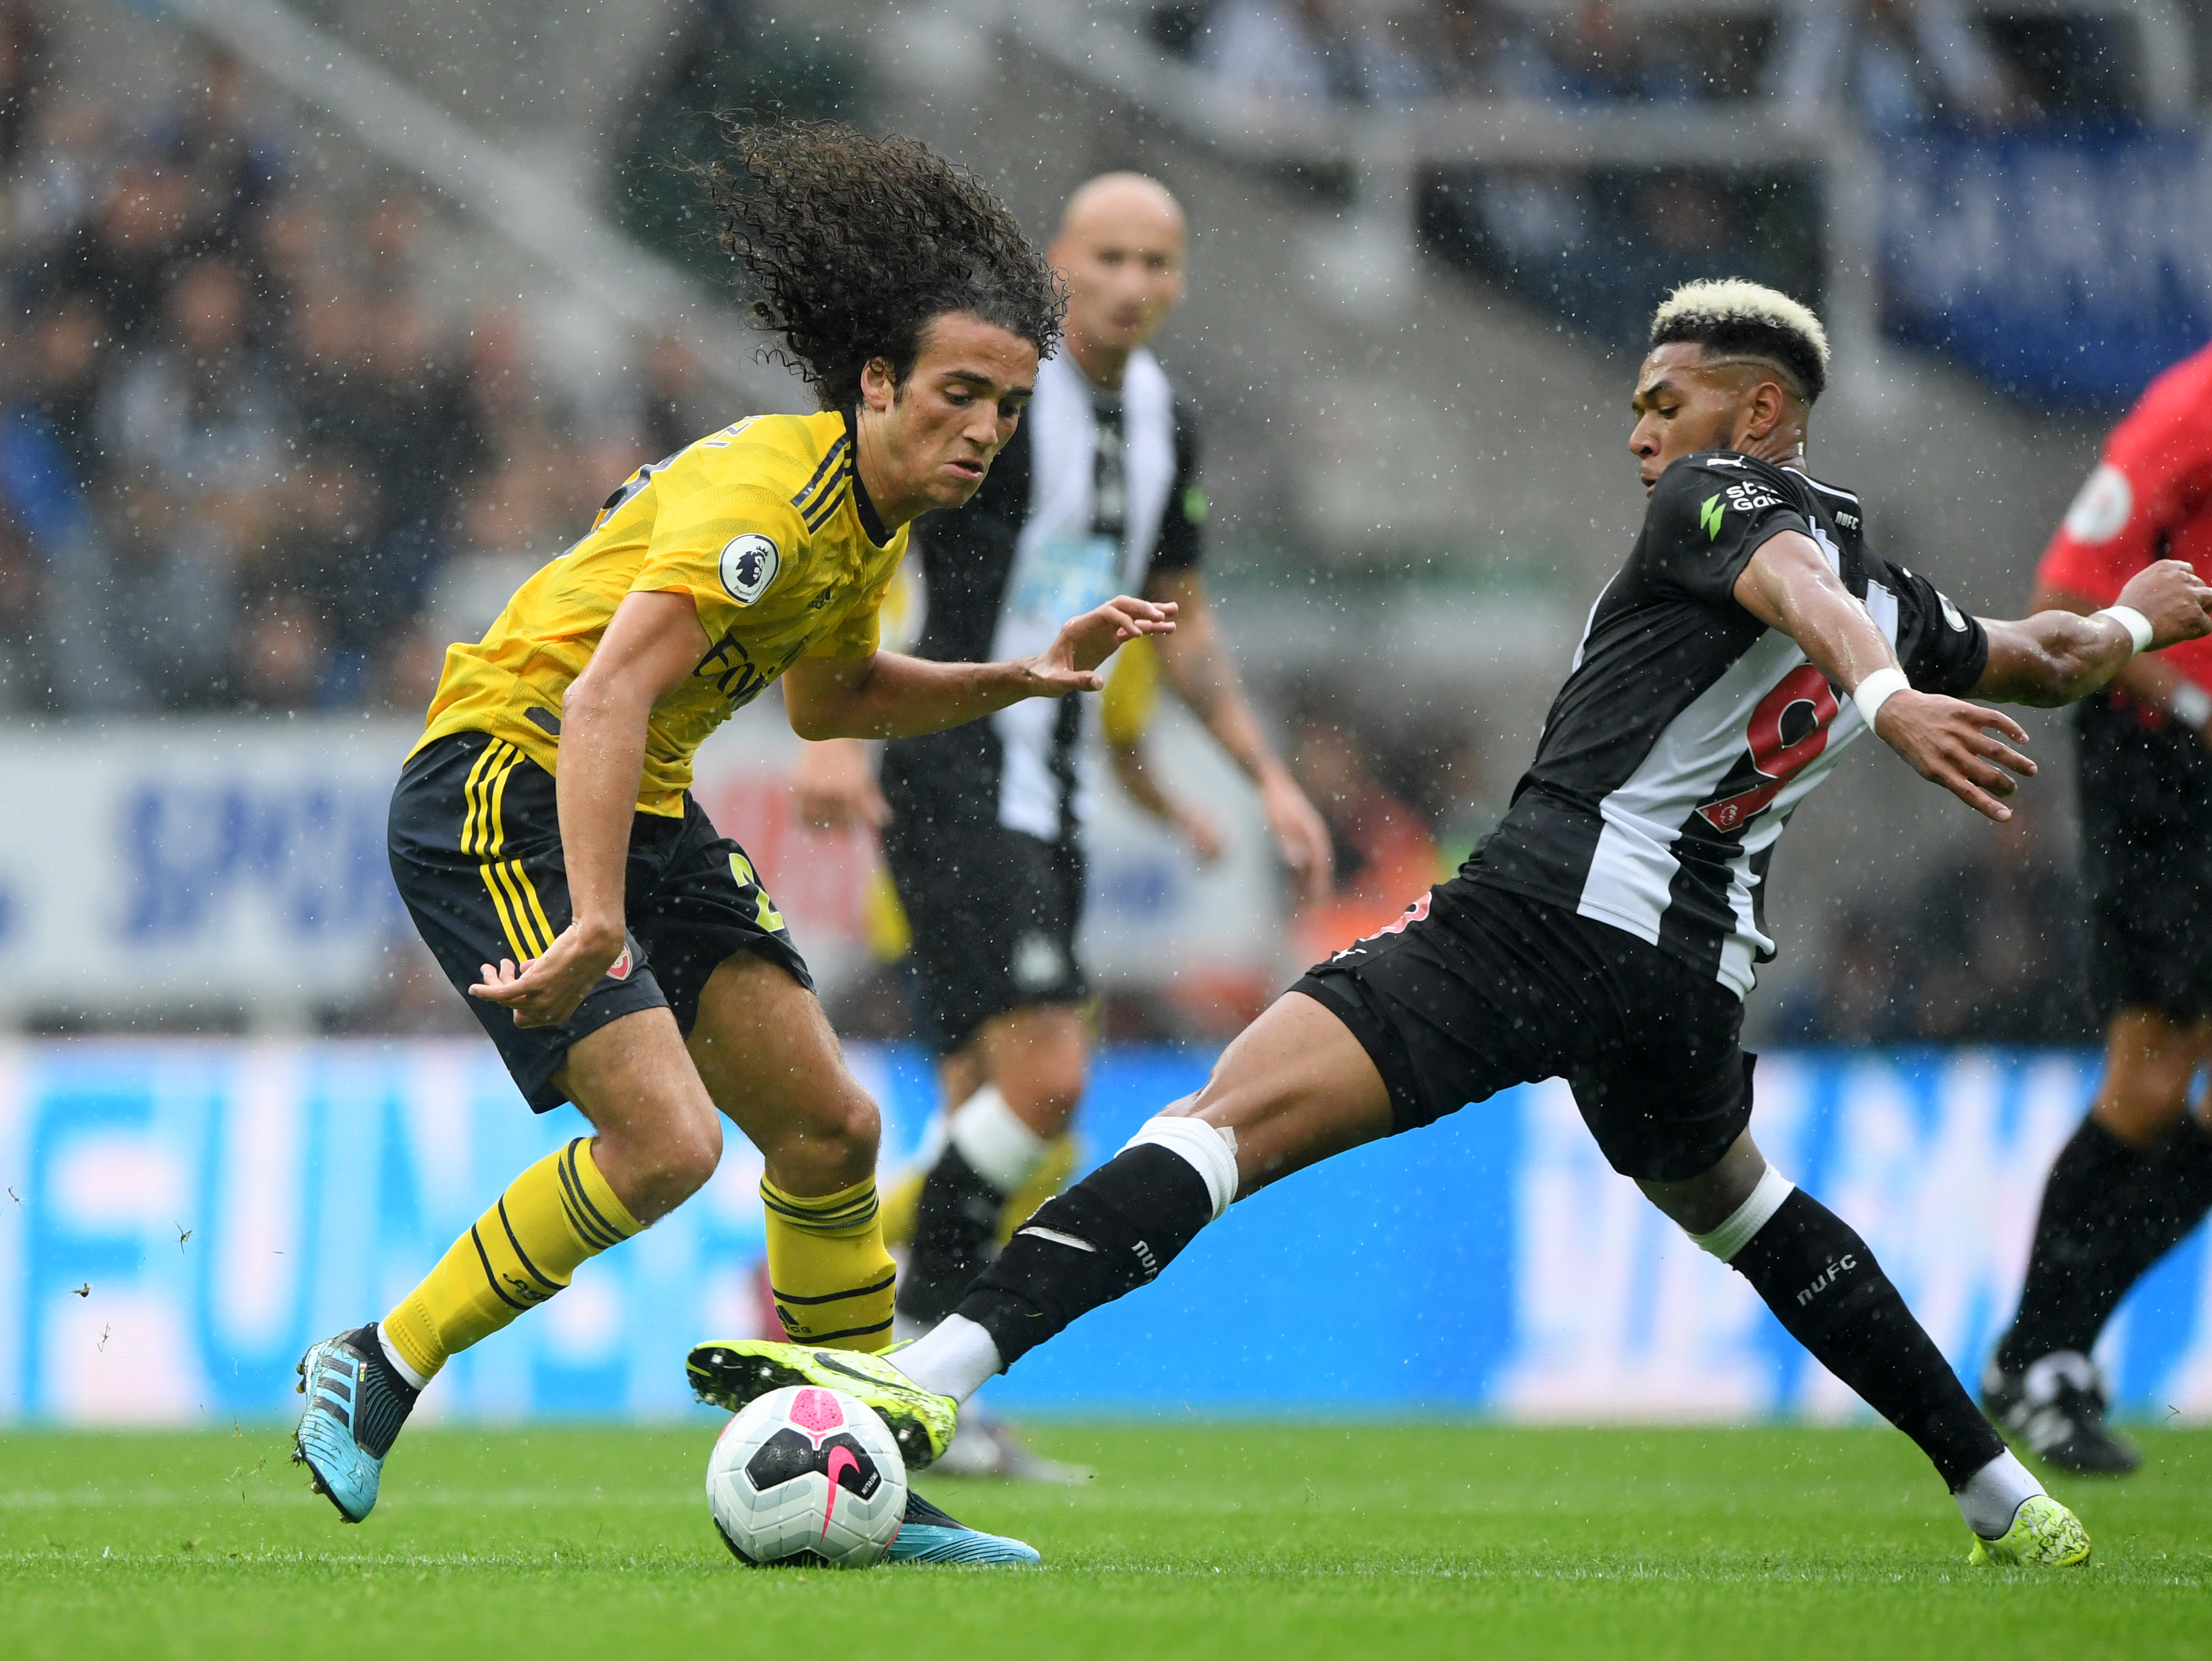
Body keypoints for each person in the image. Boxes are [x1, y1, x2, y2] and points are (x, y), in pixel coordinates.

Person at [688, 278, 2212, 1569]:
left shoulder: (1736, 507)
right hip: (1686, 984)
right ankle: (2003, 1495)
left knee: (1223, 1125)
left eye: (1665, 400)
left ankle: (922, 1385)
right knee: (1747, 1211)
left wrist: (1881, 697)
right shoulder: (1896, 588)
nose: (1640, 433)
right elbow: (2054, 649)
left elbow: (1799, 586)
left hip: (1541, 917)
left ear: (1757, 416)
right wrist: (2143, 620)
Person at [289, 121, 1175, 1565]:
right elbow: (604, 694)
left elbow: (833, 698)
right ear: (876, 383)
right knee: (669, 1142)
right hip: (501, 780)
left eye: (1008, 409)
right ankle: (379, 1360)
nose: (983, 431)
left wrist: (1019, 674)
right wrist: (590, 920)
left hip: (632, 798)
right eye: (959, 396)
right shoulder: (771, 503)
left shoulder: (866, 523)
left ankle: (868, 1472)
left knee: (832, 1127)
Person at [791, 173, 1329, 1378]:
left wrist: (1264, 778)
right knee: (1046, 1081)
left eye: (1157, 262)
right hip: (948, 753)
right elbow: (873, 536)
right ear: (1059, 265)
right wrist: (829, 727)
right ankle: (912, 1348)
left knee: (995, 1095)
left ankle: (881, 1353)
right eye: (1110, 259)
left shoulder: (1164, 421)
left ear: (1180, 278)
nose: (1133, 285)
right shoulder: (993, 397)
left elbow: (1180, 615)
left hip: (1051, 780)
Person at [1982, 341, 2212, 1474]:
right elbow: (2062, 598)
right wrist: (2192, 705)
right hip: (2165, 762)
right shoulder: (2189, 407)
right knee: (2152, 1071)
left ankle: (2040, 1349)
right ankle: (2040, 1353)